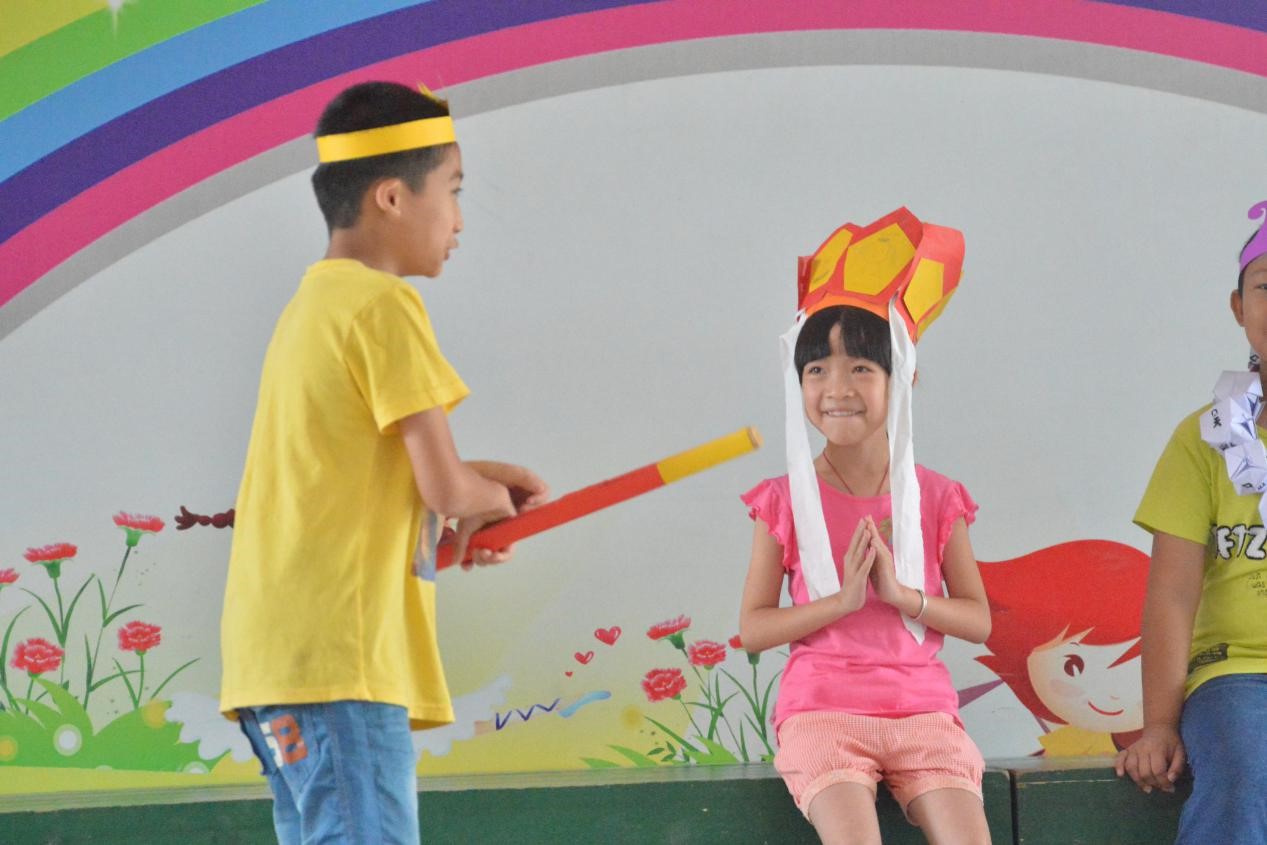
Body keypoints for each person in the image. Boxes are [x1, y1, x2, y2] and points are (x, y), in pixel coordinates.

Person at [219, 80, 548, 844]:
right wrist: (485, 499)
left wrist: (475, 487)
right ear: (393, 197)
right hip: (342, 660)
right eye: (453, 189)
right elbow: (444, 484)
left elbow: (357, 469)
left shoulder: (311, 308)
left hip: (278, 666)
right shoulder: (383, 305)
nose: (459, 218)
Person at [739, 208, 992, 845]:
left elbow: (978, 619)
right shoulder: (782, 499)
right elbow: (753, 629)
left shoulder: (938, 497)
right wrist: (841, 602)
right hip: (821, 713)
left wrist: (903, 596)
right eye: (816, 370)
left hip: (925, 714)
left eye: (860, 368)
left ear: (903, 376)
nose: (837, 388)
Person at [1116, 201, 1267, 843]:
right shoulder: (1202, 438)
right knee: (1244, 772)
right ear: (1238, 307)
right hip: (1236, 677)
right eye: (1266, 287)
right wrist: (1158, 724)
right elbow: (1173, 595)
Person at [975, 541, 1148, 756]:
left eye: (1139, 669)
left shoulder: (1184, 734)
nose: (1112, 695)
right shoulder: (1069, 745)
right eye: (1072, 666)